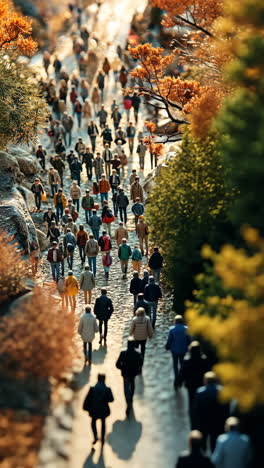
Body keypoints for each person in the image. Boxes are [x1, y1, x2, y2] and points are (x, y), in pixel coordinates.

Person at [192, 372, 230, 452]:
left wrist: (195, 425)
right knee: (215, 445)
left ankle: (204, 459)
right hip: (218, 422)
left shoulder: (200, 392)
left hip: (204, 422)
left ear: (205, 381)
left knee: (203, 444)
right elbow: (226, 408)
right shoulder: (222, 391)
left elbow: (196, 410)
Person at [178, 341, 210, 417]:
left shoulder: (187, 361)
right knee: (202, 400)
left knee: (191, 400)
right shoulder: (204, 360)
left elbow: (182, 372)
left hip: (190, 384)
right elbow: (208, 371)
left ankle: (192, 415)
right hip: (201, 383)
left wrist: (179, 381)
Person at [83, 374, 114, 445]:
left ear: (97, 379)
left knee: (93, 422)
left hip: (94, 409)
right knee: (103, 423)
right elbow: (111, 399)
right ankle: (102, 438)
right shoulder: (107, 389)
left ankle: (95, 436)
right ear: (104, 380)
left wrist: (86, 407)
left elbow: (88, 399)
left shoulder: (92, 389)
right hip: (103, 410)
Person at [116, 337, 143, 416]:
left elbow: (117, 364)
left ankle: (128, 402)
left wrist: (122, 368)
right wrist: (137, 369)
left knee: (126, 388)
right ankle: (130, 399)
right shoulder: (137, 354)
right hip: (133, 373)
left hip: (125, 373)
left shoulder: (123, 353)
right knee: (133, 384)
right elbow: (141, 363)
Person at [165, 315, 190, 388]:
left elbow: (170, 340)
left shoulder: (172, 329)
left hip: (174, 350)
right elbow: (189, 340)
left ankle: (176, 380)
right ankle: (181, 380)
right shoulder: (186, 329)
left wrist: (167, 346)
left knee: (175, 366)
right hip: (183, 350)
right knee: (182, 365)